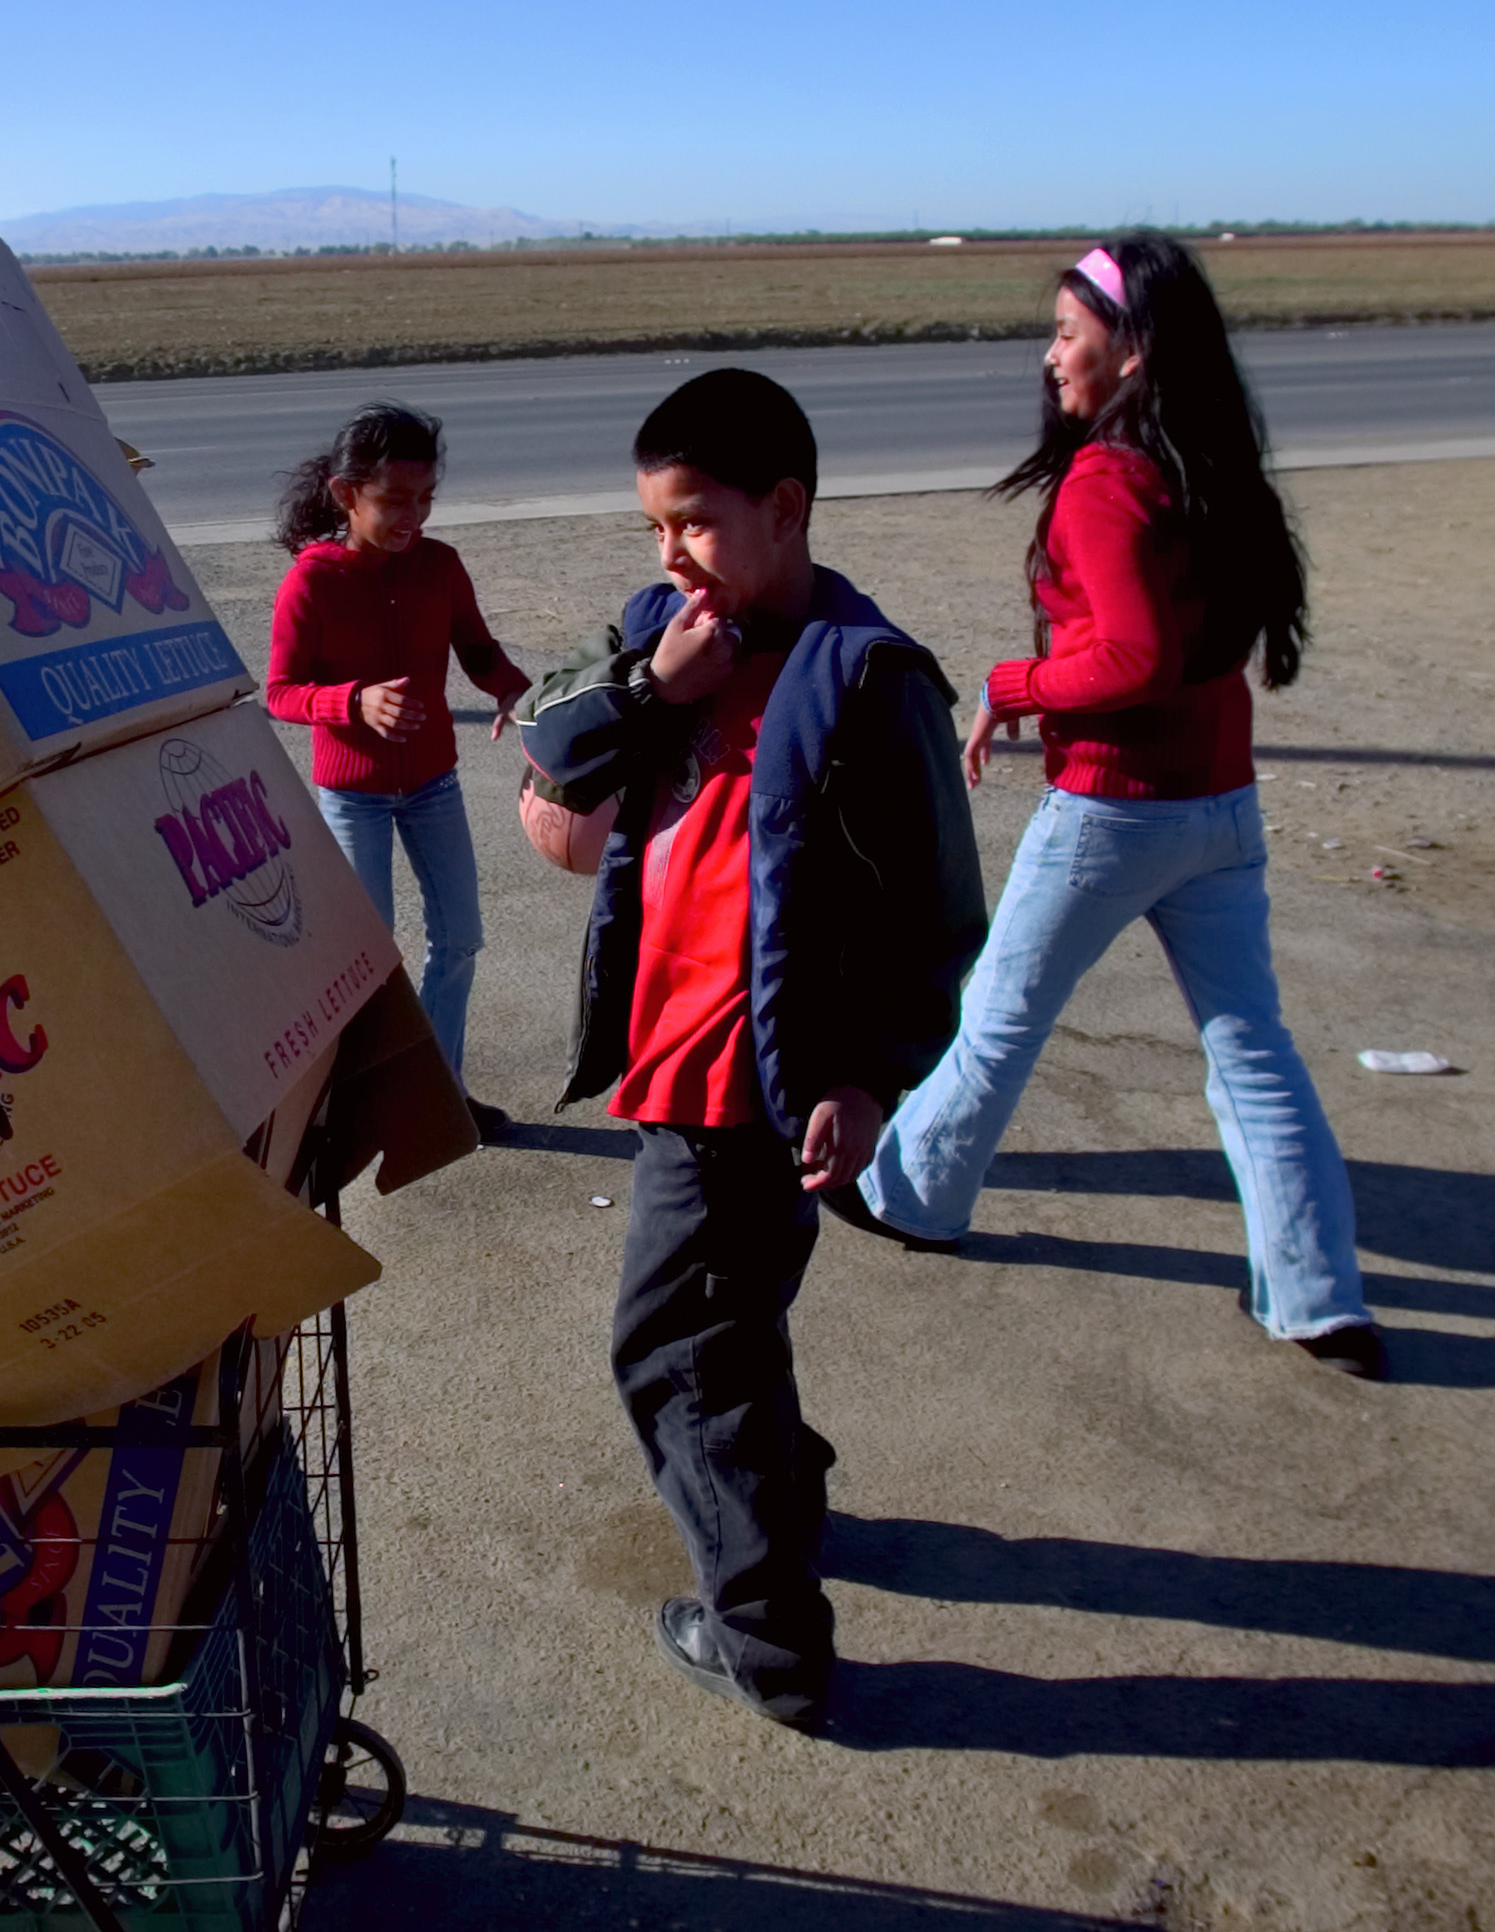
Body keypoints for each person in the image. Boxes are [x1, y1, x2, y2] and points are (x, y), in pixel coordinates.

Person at [826, 235, 1386, 1383]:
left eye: (1070, 335)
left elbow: (1131, 654)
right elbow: (1187, 650)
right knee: (1253, 1050)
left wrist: (1008, 684)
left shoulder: (1109, 480)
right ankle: (1319, 1294)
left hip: (1115, 810)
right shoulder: (1205, 464)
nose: (1051, 357)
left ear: (1131, 353)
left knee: (997, 1015)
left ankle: (915, 1198)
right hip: (1220, 806)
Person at [517, 369, 986, 1729]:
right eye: (652, 525)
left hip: (754, 1094)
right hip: (669, 1057)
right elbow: (552, 754)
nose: (669, 552)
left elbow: (932, 913)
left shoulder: (867, 677)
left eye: (696, 521)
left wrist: (869, 1072)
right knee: (732, 1336)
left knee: (678, 1357)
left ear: (785, 509)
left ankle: (770, 1643)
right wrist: (654, 692)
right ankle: (788, 1506)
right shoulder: (664, 631)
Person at [266, 402, 530, 1142]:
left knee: (461, 939)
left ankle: (441, 1093)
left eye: (425, 499)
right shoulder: (312, 583)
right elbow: (282, 693)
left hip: (433, 787)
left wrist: (511, 688)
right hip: (352, 797)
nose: (412, 515)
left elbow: (476, 649)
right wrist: (352, 702)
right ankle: (348, 1102)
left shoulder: (439, 565)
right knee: (367, 958)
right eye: (393, 501)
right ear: (346, 493)